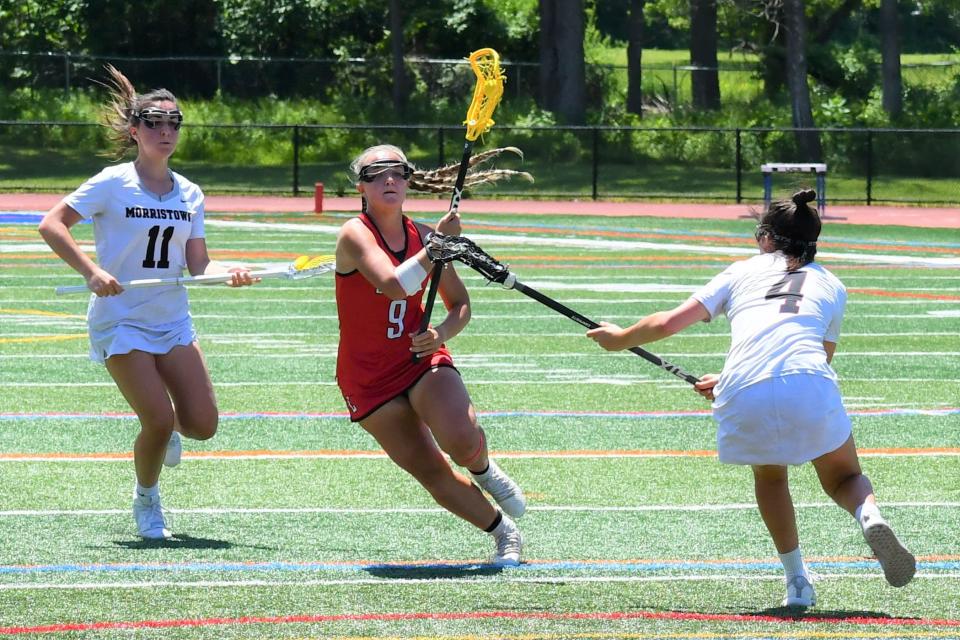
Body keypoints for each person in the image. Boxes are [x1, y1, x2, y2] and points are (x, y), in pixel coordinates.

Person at [586, 189, 916, 607]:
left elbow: (668, 323)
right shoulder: (833, 284)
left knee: (771, 476)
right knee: (843, 477)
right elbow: (815, 355)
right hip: (808, 379)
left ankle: (797, 581)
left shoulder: (741, 271)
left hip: (744, 387)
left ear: (765, 237)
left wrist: (620, 339)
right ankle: (869, 516)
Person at [38, 65, 257, 540]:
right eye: (155, 122)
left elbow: (199, 266)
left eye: (173, 122)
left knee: (202, 425)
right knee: (156, 418)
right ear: (135, 130)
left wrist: (230, 274)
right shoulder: (113, 182)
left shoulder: (190, 194)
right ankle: (147, 499)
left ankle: (164, 436)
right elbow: (51, 224)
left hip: (171, 320)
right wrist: (92, 272)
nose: (165, 131)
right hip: (121, 321)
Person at [334, 144, 530, 565]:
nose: (389, 180)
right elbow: (393, 284)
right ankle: (503, 533)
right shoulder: (355, 232)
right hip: (367, 379)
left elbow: (460, 305)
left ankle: (484, 470)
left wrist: (439, 331)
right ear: (361, 186)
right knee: (431, 471)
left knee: (460, 439)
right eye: (376, 173)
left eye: (398, 172)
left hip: (419, 360)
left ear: (408, 181)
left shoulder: (424, 235)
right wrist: (438, 246)